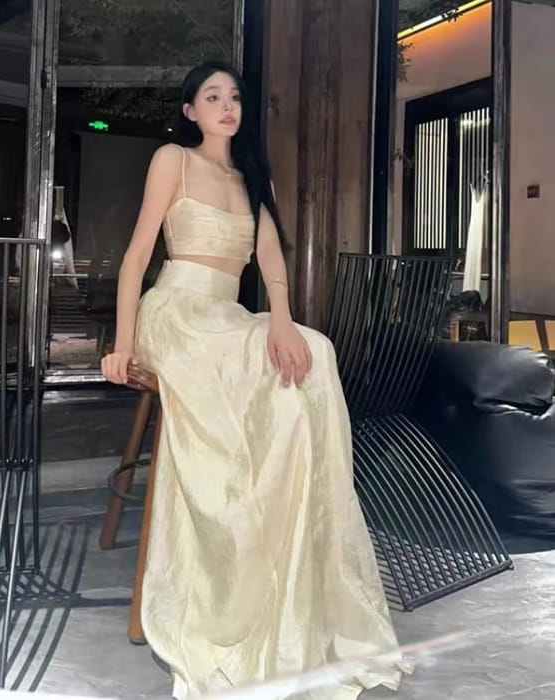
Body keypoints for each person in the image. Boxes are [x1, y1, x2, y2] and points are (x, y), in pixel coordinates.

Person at [101, 60, 410, 699]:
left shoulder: (250, 178)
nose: (226, 106)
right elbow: (136, 256)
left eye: (234, 97)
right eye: (212, 96)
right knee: (276, 366)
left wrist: (283, 320)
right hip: (177, 313)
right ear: (191, 111)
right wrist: (122, 343)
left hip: (225, 315)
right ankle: (235, 548)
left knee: (314, 353)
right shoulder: (172, 160)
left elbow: (270, 258)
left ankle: (288, 565)